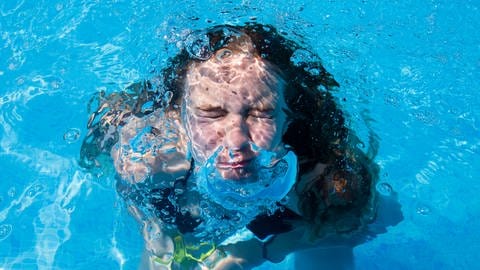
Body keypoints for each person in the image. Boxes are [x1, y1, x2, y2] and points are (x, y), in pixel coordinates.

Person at [80, 23, 385, 269]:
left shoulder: (321, 175)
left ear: (288, 118)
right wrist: (153, 234)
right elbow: (120, 177)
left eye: (261, 113)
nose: (236, 140)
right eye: (212, 113)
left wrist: (262, 251)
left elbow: (377, 220)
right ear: (179, 115)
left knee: (331, 239)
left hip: (284, 222)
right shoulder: (148, 157)